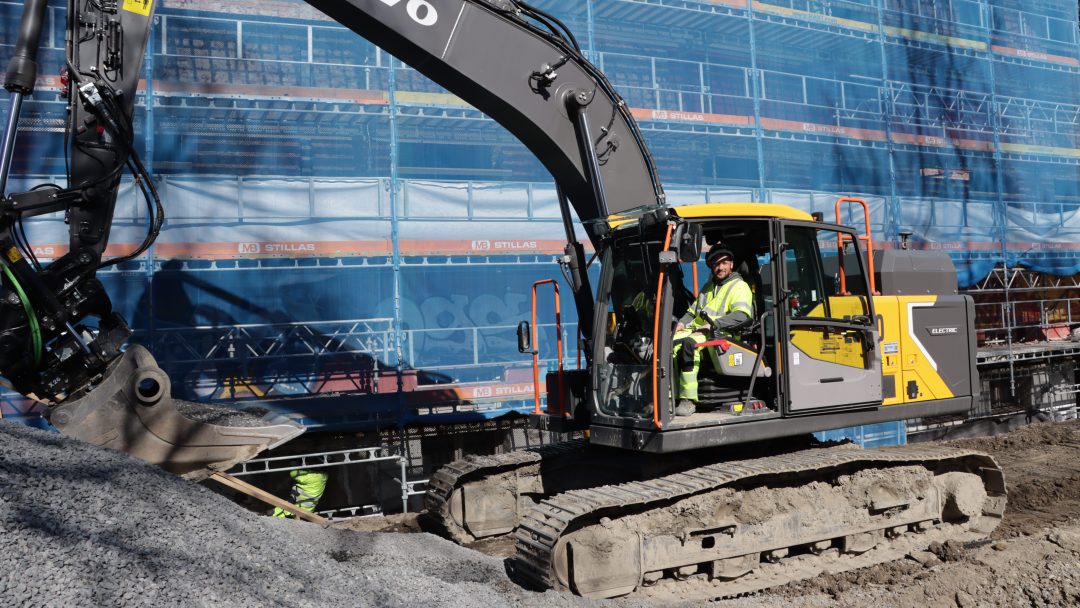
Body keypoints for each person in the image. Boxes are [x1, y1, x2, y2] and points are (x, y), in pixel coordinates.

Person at [671, 244, 753, 416]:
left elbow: (742, 316)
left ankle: (688, 400)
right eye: (716, 263)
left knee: (688, 345)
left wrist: (712, 325)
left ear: (731, 264)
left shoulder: (739, 286)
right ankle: (670, 397)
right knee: (668, 343)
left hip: (722, 333)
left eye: (724, 263)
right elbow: (692, 312)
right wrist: (681, 323)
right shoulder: (708, 288)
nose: (720, 267)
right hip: (700, 330)